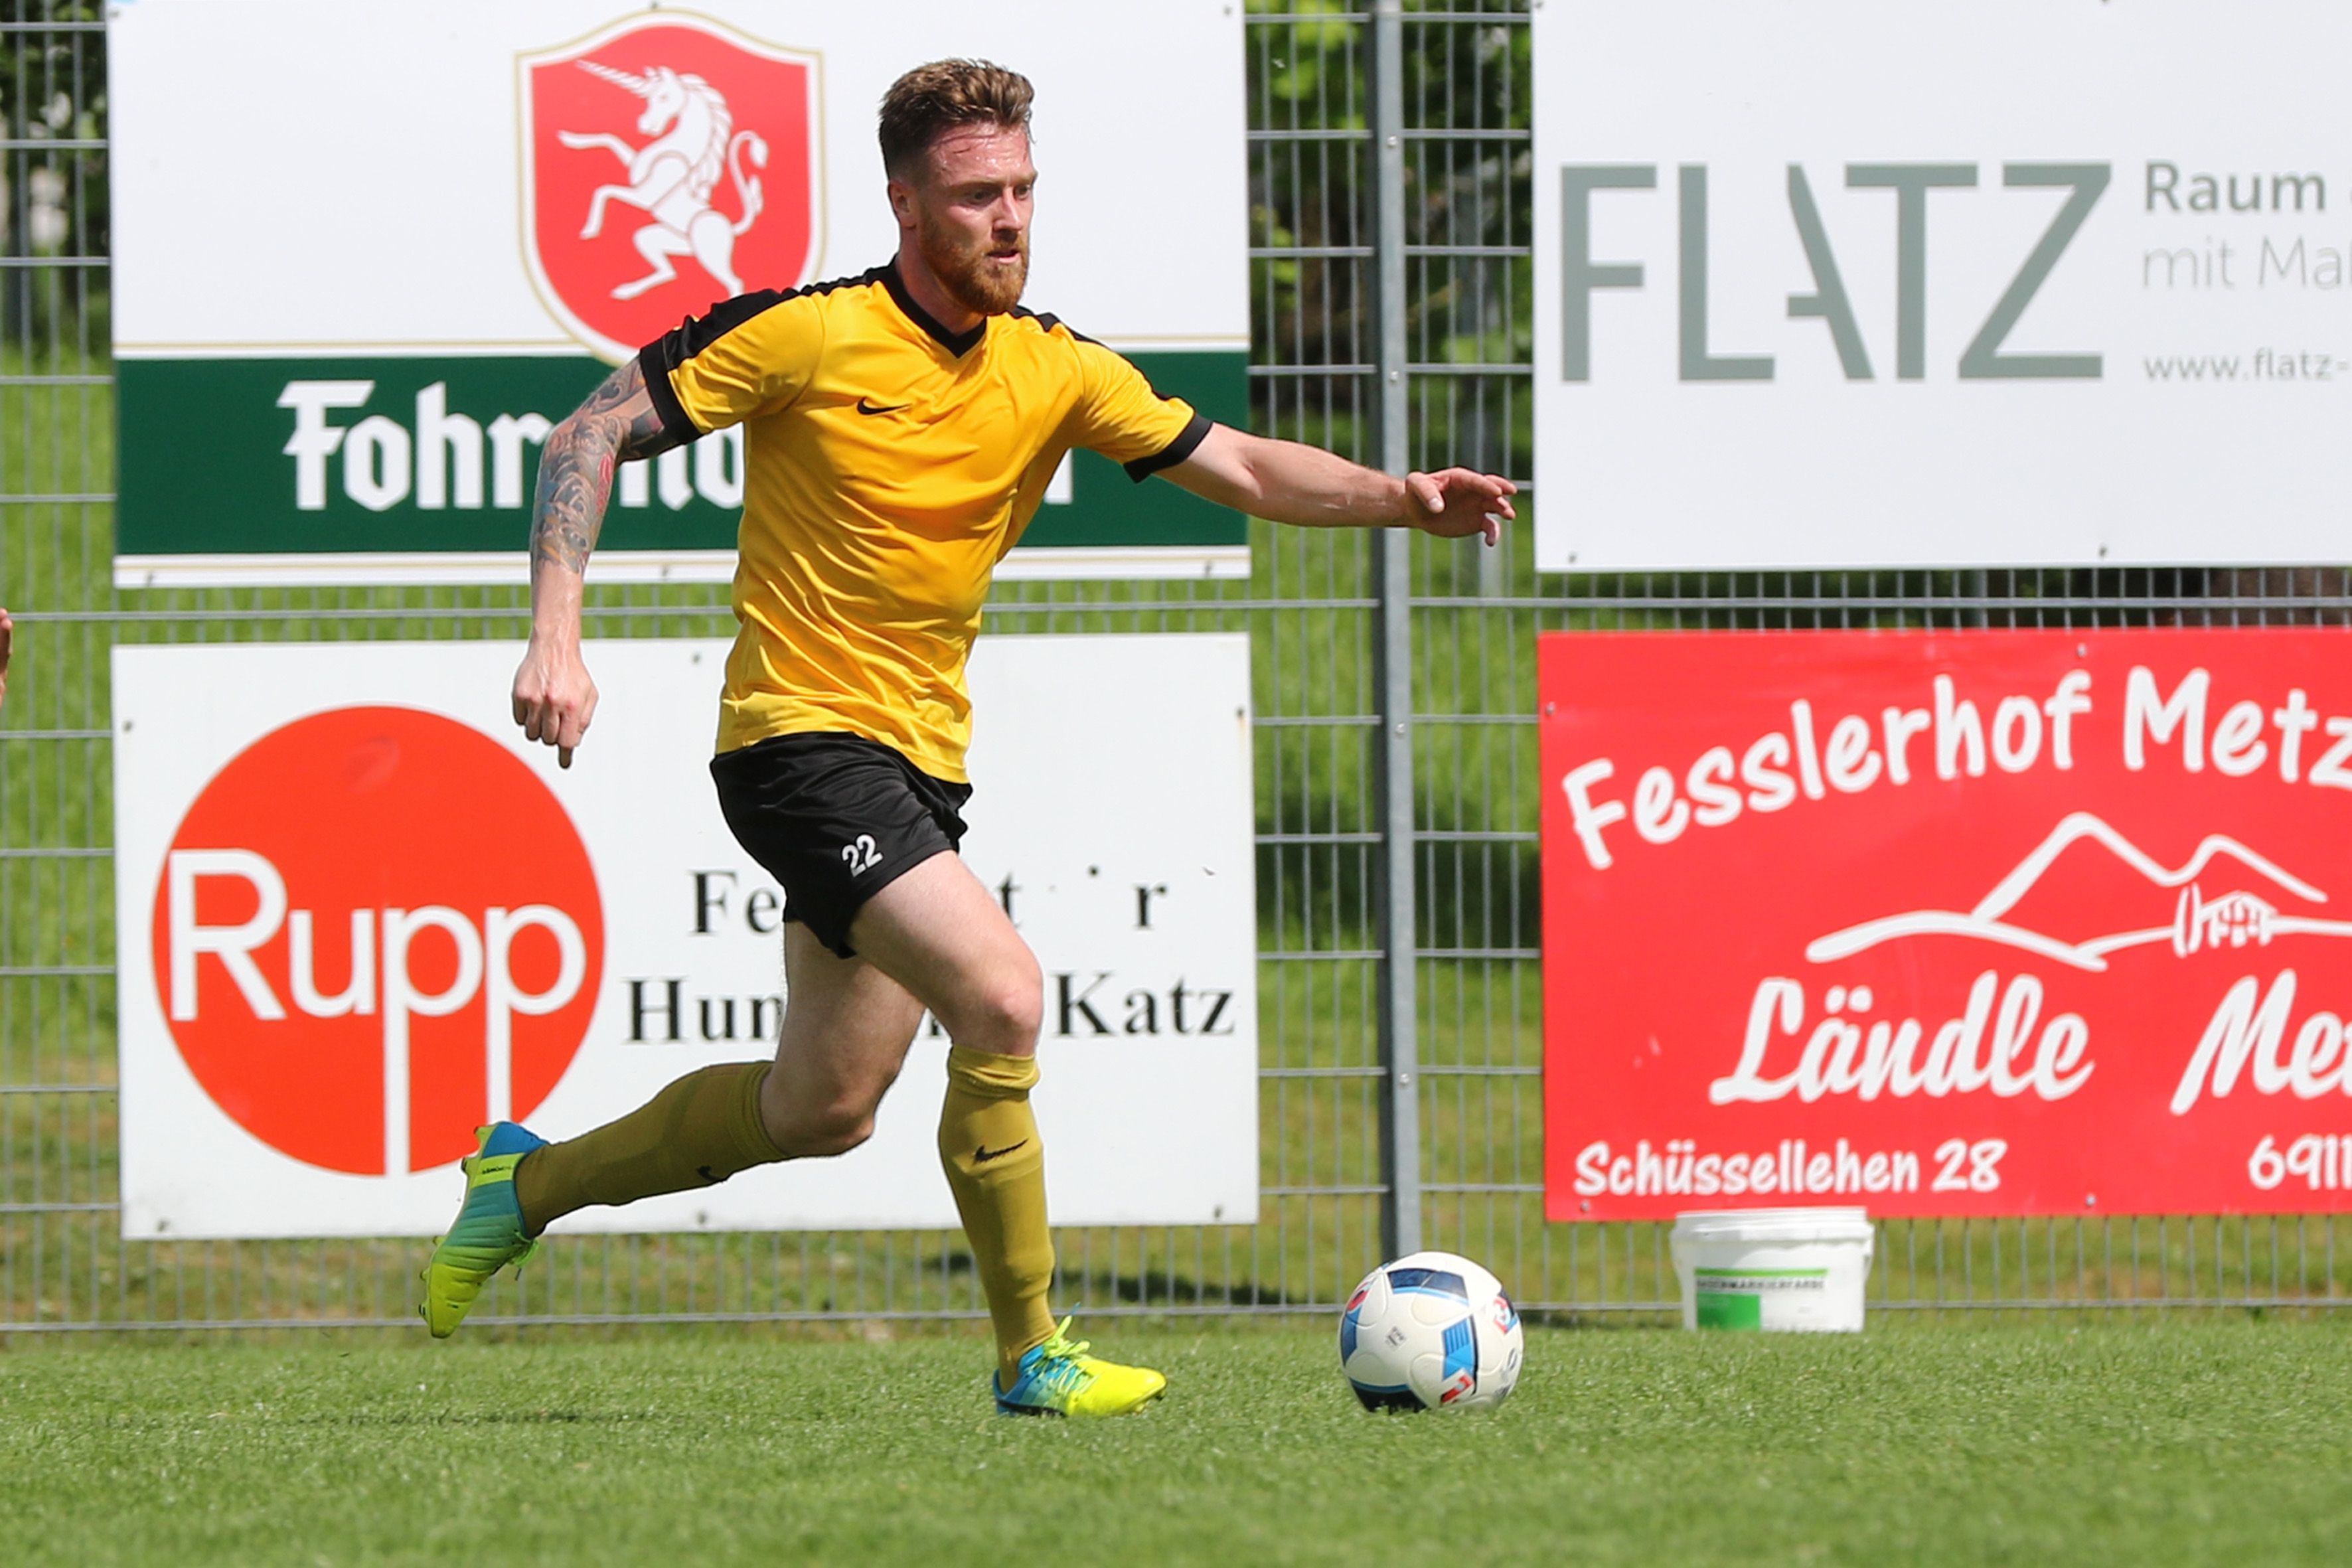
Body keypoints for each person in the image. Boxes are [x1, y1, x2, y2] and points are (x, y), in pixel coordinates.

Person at [422, 59, 1514, 1416]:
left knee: (822, 1106)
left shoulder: (1053, 365)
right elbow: (585, 435)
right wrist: (557, 634)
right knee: (1000, 994)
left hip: (917, 765)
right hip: (795, 744)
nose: (1008, 218)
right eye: (975, 194)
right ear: (904, 202)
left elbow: (1237, 462)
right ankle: (1031, 1352)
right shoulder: (807, 335)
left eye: (1022, 190)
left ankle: (522, 1182)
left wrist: (1401, 496)